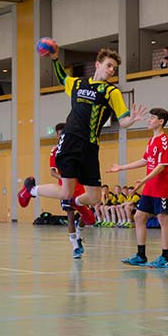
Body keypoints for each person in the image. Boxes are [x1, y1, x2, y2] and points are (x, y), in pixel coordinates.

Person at [17, 47, 147, 221]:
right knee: (66, 191)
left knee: (94, 198)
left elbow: (123, 120)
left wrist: (132, 119)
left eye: (114, 68)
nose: (111, 70)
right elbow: (63, 78)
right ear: (97, 64)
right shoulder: (78, 83)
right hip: (71, 139)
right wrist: (55, 58)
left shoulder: (112, 92)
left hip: (90, 146)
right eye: (108, 65)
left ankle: (77, 203)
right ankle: (30, 190)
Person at [108, 108, 168, 269]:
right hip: (150, 186)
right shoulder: (151, 141)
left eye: (152, 118)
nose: (148, 120)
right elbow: (145, 161)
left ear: (161, 121)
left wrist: (143, 180)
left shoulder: (164, 141)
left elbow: (161, 167)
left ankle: (165, 256)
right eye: (149, 118)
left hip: (161, 186)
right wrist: (122, 167)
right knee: (138, 217)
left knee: (163, 219)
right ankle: (141, 255)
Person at [49, 122, 91, 259]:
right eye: (60, 134)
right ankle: (75, 247)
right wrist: (65, 177)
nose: (62, 136)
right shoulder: (55, 151)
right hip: (66, 188)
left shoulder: (76, 147)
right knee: (70, 215)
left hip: (80, 187)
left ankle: (79, 234)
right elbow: (52, 172)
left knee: (87, 215)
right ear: (57, 135)